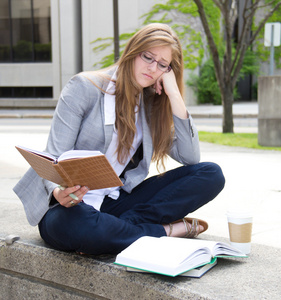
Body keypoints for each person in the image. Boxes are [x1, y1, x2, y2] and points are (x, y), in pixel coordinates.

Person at [14, 23, 225, 255]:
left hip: (116, 202)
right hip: (69, 206)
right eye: (148, 57)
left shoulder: (151, 104)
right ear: (134, 51)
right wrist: (57, 192)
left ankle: (123, 229)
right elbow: (53, 155)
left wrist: (174, 93)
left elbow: (190, 157)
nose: (153, 68)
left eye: (163, 65)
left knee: (211, 174)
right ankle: (164, 232)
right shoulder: (84, 87)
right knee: (79, 225)